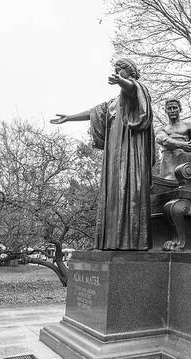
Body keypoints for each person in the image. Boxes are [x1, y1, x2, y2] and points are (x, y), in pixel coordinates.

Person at [51, 58, 154, 250]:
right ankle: (111, 241)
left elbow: (132, 88)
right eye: (115, 70)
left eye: (119, 69)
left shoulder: (136, 89)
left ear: (129, 71)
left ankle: (130, 242)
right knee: (113, 190)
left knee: (128, 188)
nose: (116, 72)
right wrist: (69, 118)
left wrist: (121, 81)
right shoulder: (113, 102)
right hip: (114, 150)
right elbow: (94, 112)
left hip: (129, 147)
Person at [155, 98, 191, 179]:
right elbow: (164, 141)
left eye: (175, 108)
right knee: (168, 184)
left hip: (184, 163)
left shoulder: (189, 126)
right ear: (165, 111)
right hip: (167, 165)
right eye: (169, 108)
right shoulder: (161, 129)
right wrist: (183, 145)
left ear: (180, 109)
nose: (172, 110)